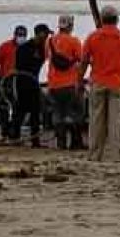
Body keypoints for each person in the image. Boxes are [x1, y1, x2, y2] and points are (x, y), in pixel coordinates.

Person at [79, 5, 120, 162]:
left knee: (96, 120)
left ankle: (95, 154)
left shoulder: (92, 37)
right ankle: (117, 155)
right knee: (117, 121)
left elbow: (84, 62)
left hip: (98, 82)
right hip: (118, 83)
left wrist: (79, 81)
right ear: (117, 20)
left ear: (101, 20)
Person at [10, 23, 50, 147]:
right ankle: (14, 137)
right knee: (19, 111)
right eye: (46, 34)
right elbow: (18, 67)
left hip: (34, 83)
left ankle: (35, 140)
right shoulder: (24, 47)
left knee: (35, 111)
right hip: (23, 82)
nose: (47, 36)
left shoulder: (43, 48)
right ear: (39, 33)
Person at [46, 14, 84, 150]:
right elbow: (82, 61)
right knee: (75, 113)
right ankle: (75, 142)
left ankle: (60, 143)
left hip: (53, 84)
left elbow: (48, 59)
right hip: (69, 84)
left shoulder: (49, 41)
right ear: (71, 26)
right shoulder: (74, 41)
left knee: (58, 113)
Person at [0, 26, 25, 143]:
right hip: (5, 80)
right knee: (3, 107)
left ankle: (15, 133)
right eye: (19, 35)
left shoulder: (26, 48)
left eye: (23, 35)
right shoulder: (5, 46)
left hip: (19, 80)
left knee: (18, 108)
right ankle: (4, 133)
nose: (21, 38)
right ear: (14, 35)